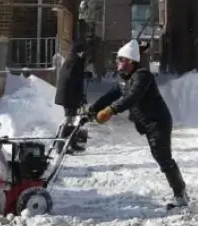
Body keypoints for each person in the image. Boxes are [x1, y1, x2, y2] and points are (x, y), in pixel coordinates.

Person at [88, 39, 189, 209]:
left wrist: (111, 110)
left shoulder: (143, 76)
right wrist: (93, 109)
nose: (117, 62)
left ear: (129, 61)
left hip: (158, 122)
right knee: (160, 157)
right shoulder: (125, 80)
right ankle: (181, 192)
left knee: (163, 158)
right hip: (147, 124)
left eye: (120, 59)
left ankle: (181, 195)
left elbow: (132, 97)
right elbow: (111, 94)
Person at [53, 41, 88, 152]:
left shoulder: (74, 61)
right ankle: (60, 146)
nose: (83, 53)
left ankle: (71, 143)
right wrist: (78, 97)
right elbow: (70, 80)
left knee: (72, 120)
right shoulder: (72, 62)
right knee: (68, 120)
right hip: (68, 96)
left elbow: (76, 76)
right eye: (82, 51)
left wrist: (84, 75)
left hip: (70, 96)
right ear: (78, 51)